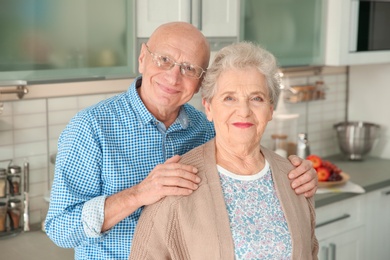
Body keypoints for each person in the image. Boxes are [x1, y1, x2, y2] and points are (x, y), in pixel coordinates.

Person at [45, 22, 318, 260]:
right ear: (142, 58)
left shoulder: (205, 127)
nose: (173, 77)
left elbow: (246, 151)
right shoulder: (92, 127)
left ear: (200, 83)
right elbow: (60, 229)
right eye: (163, 59)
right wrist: (139, 194)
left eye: (189, 68)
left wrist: (292, 174)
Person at [129, 42, 318, 259]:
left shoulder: (295, 178)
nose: (244, 111)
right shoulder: (176, 183)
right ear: (209, 108)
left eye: (256, 98)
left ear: (270, 109)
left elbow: (311, 252)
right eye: (229, 98)